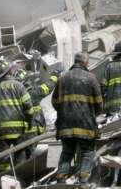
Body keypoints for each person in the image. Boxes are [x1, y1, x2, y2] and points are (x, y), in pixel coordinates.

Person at [52, 52, 102, 184]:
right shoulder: (92, 78)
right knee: (87, 152)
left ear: (75, 62)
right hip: (85, 124)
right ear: (85, 63)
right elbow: (99, 103)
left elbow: (55, 102)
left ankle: (61, 179)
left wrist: (64, 112)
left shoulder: (62, 78)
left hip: (65, 125)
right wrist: (92, 114)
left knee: (67, 152)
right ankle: (83, 180)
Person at [0, 57, 32, 172]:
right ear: (9, 71)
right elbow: (28, 105)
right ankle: (20, 176)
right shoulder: (18, 85)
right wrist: (30, 121)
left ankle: (3, 178)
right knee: (20, 154)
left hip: (1, 130)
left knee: (3, 158)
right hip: (19, 128)